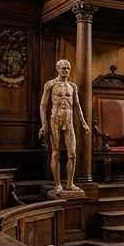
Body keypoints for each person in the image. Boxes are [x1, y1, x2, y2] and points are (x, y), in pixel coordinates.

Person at [39, 59, 89, 193]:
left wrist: (84, 123)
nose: (66, 71)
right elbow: (43, 106)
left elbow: (77, 105)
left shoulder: (73, 86)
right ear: (58, 69)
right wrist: (44, 124)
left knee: (72, 154)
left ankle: (70, 184)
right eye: (63, 68)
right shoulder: (50, 84)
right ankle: (57, 185)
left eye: (68, 68)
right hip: (55, 119)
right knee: (55, 153)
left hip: (69, 120)